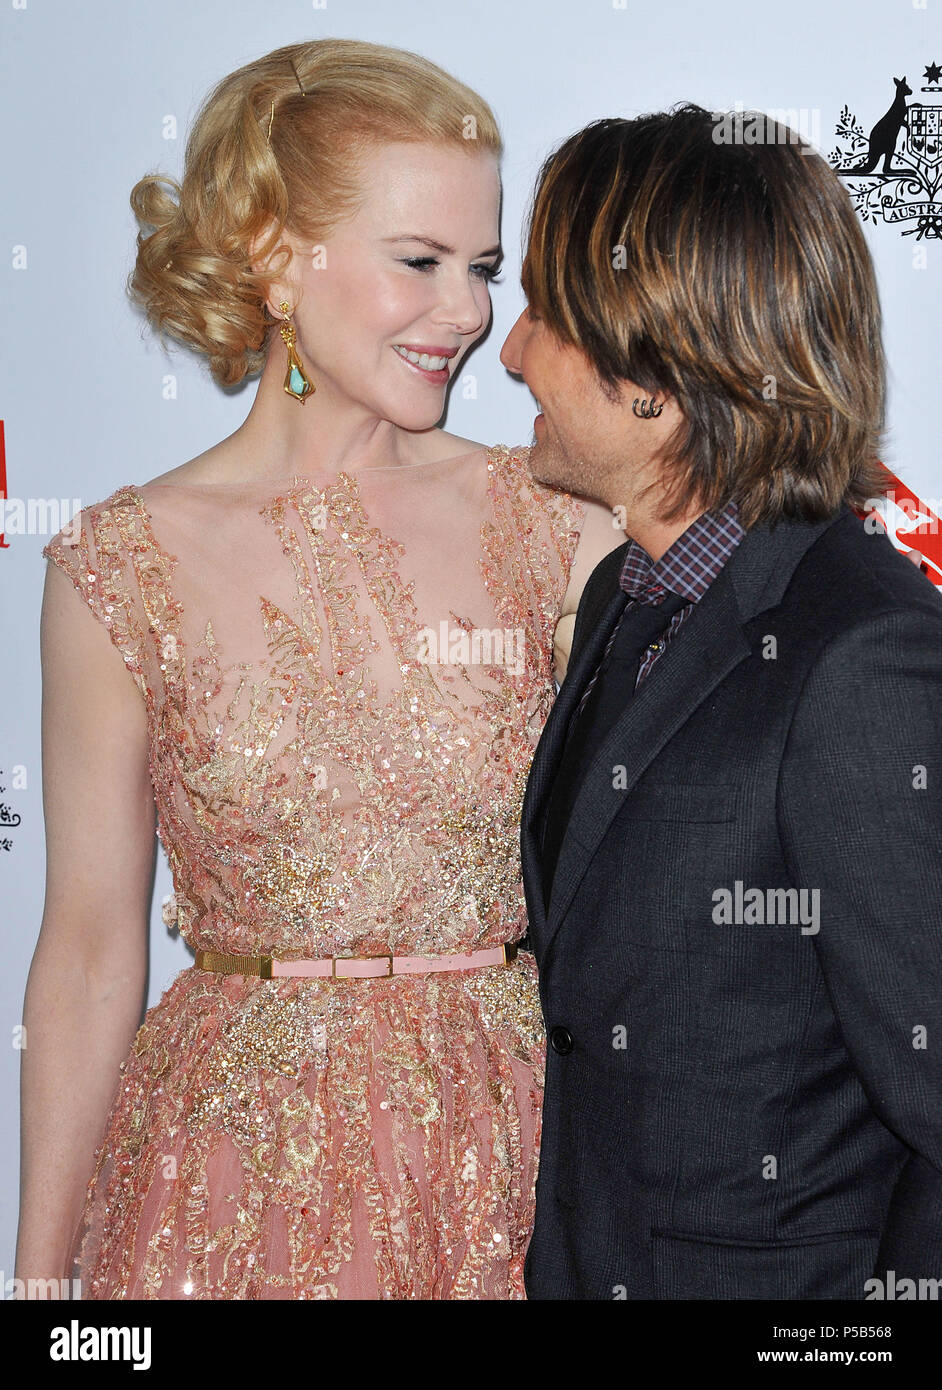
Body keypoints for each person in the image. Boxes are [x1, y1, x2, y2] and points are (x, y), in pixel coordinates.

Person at [16, 38, 618, 1300]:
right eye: (420, 262)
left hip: (507, 1157)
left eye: (483, 269)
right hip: (223, 1178)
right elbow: (84, 949)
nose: (467, 314)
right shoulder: (119, 566)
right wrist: (38, 1283)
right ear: (277, 257)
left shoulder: (557, 523)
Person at [502, 105, 942, 1300]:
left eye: (545, 312)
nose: (510, 352)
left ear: (652, 378)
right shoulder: (624, 603)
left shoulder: (862, 654)